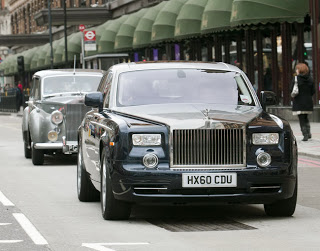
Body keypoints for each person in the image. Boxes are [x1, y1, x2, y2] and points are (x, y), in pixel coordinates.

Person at [291, 63, 315, 141]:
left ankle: (305, 135)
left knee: (301, 119)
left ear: (299, 70)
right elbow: (313, 91)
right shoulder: (310, 79)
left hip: (299, 101)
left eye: (297, 69)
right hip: (308, 101)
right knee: (306, 117)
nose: (296, 70)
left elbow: (291, 89)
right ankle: (309, 133)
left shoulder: (296, 79)